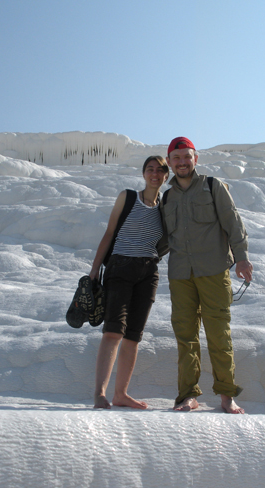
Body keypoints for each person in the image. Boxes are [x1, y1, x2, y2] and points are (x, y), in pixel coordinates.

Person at [161, 136, 253, 414]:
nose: (181, 162)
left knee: (218, 334)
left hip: (213, 271)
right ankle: (188, 395)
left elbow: (233, 222)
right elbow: (164, 238)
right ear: (169, 162)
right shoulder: (167, 197)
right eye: (176, 159)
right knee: (185, 336)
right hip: (180, 275)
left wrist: (242, 258)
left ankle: (227, 395)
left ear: (195, 159)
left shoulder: (213, 187)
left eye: (186, 157)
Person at [89, 155, 169, 409]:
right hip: (120, 267)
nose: (154, 174)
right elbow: (110, 232)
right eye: (150, 169)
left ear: (166, 176)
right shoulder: (128, 197)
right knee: (113, 330)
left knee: (133, 336)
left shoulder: (165, 207)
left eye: (159, 170)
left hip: (148, 272)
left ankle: (120, 394)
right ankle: (99, 394)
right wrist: (94, 270)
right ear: (143, 173)